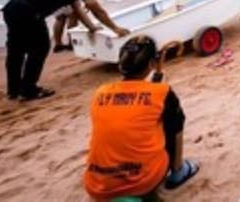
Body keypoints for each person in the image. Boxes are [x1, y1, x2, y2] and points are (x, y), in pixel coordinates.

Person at [84, 36, 199, 199]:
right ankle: (178, 171)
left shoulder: (100, 92)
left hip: (96, 185)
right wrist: (160, 84)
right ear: (151, 63)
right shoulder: (162, 93)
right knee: (173, 123)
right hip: (142, 181)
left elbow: (134, 106)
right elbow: (175, 128)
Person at [1, 0, 130, 101]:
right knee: (40, 48)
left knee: (16, 51)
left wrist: (91, 27)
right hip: (28, 12)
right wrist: (116, 28)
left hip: (12, 9)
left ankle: (13, 90)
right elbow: (97, 10)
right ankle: (28, 89)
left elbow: (77, 9)